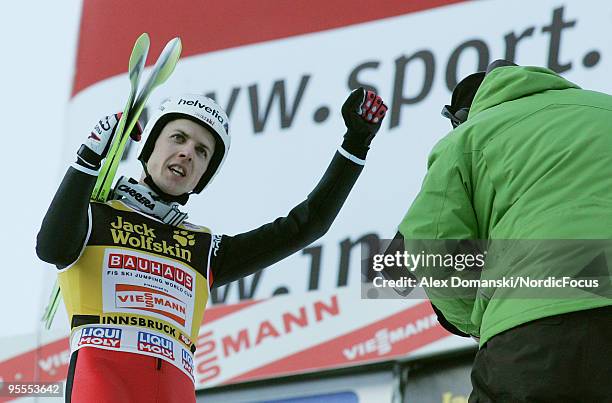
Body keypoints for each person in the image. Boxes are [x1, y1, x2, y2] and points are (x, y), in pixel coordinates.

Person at [36, 89, 388, 402]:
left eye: (201, 151)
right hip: (102, 381)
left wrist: (355, 144)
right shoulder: (95, 216)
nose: (187, 153)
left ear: (204, 174)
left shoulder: (204, 247)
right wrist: (88, 159)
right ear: (150, 146)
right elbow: (51, 248)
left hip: (176, 388)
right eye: (178, 137)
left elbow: (304, 226)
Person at [390, 60, 612, 402]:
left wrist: (474, 319)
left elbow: (429, 247)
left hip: (532, 329)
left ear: (460, 116)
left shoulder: (467, 139)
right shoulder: (604, 109)